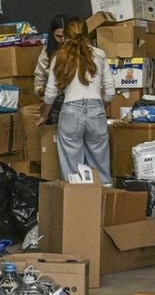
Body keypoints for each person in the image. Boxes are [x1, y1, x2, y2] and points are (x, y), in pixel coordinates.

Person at [42, 19, 111, 181]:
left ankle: (74, 199)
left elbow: (50, 93)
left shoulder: (59, 56)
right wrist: (101, 106)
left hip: (70, 112)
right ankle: (105, 198)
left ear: (65, 36)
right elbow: (110, 92)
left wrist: (44, 115)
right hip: (96, 110)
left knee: (71, 166)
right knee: (100, 162)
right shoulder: (100, 54)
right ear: (87, 34)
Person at [33, 14, 71, 126]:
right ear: (52, 35)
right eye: (58, 36)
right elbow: (37, 84)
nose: (63, 40)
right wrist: (42, 90)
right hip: (55, 100)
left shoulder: (78, 50)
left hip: (76, 100)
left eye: (66, 36)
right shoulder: (46, 53)